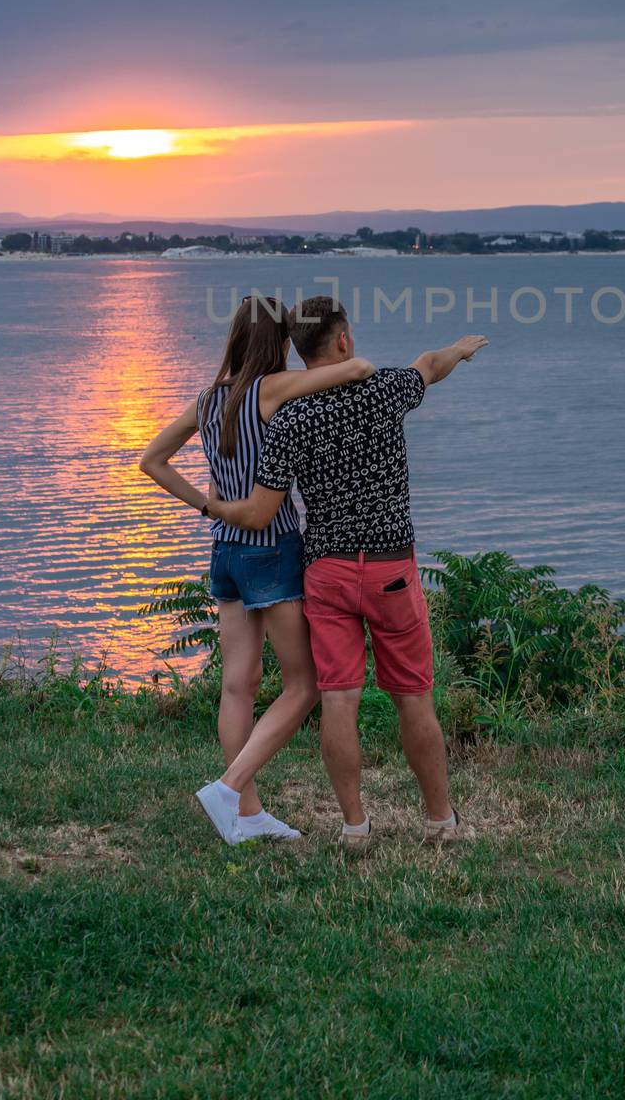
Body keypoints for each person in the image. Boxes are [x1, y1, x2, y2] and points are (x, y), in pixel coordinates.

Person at [206, 295, 487, 849]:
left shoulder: (288, 418)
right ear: (343, 340)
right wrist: (459, 349)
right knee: (413, 697)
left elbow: (262, 508)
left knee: (338, 698)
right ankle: (439, 821)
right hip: (389, 570)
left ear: (298, 350)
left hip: (325, 574)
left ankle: (354, 827)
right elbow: (429, 364)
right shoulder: (382, 390)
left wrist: (211, 505)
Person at [138, 294, 375, 844]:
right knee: (305, 684)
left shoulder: (207, 399)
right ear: (277, 341)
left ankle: (245, 815)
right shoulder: (270, 390)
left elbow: (151, 460)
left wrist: (206, 505)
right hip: (271, 549)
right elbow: (356, 369)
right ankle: (228, 789)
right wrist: (335, 352)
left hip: (224, 551)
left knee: (238, 685)